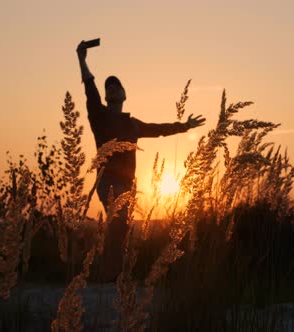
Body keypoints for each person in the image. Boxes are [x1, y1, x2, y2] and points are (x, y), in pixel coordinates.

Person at [76, 41, 206, 278]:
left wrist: (185, 126)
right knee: (118, 224)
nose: (112, 87)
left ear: (125, 94)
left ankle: (112, 272)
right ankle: (110, 274)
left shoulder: (133, 124)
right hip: (107, 182)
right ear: (106, 97)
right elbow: (89, 88)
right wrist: (82, 60)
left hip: (128, 184)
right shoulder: (99, 116)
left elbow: (159, 129)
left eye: (116, 85)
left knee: (122, 228)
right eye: (109, 87)